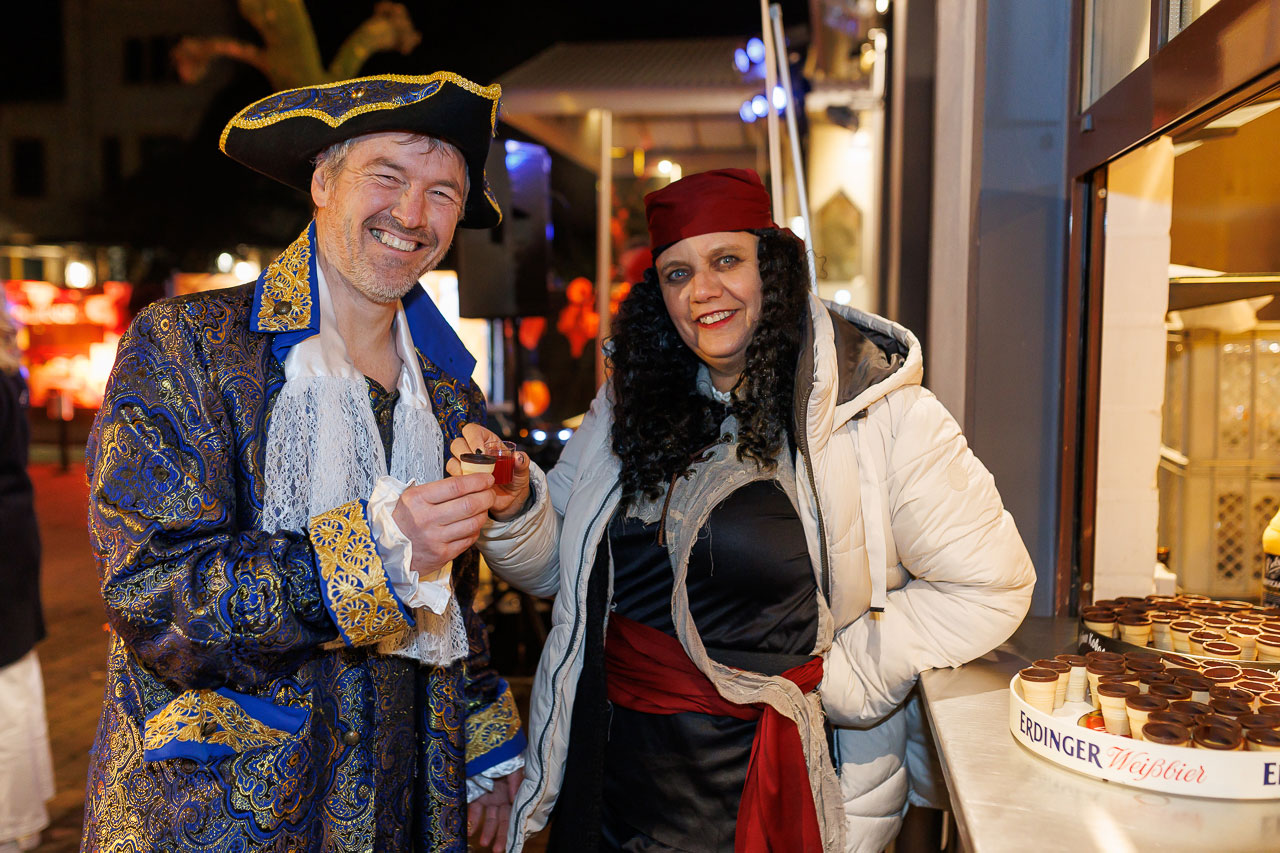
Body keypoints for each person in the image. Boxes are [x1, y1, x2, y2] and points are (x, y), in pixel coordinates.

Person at [466, 168, 1036, 851]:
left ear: (773, 267)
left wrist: (843, 679)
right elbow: (561, 570)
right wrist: (516, 508)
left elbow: (990, 582)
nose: (702, 290)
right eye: (678, 273)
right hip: (610, 780)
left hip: (761, 787)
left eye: (727, 260)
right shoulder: (626, 405)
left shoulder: (878, 413)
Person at [82, 73, 525, 852]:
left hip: (403, 807)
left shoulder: (450, 392)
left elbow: (454, 603)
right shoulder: (188, 343)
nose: (411, 214)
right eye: (387, 176)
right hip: (224, 815)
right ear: (322, 182)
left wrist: (488, 744)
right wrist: (377, 551)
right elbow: (152, 596)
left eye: (442, 193)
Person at [0, 300, 54, 853]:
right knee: (15, 677)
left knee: (8, 682)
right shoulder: (9, 371)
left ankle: (12, 821)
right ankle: (22, 814)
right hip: (14, 535)